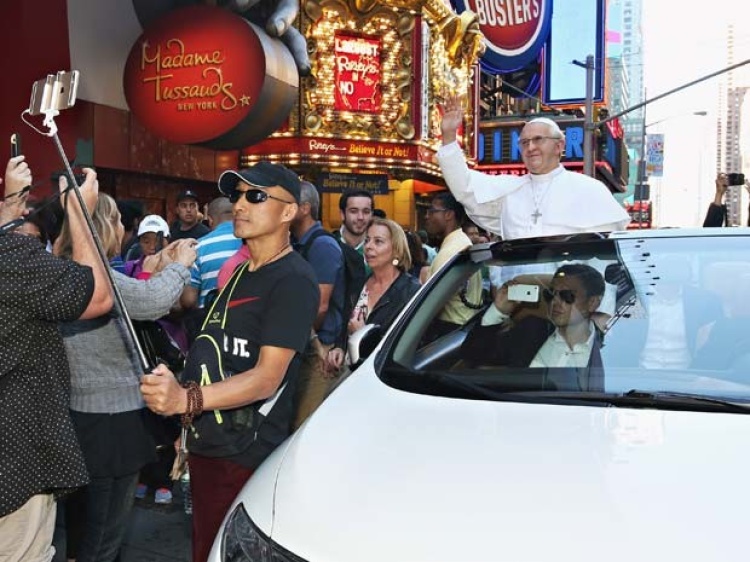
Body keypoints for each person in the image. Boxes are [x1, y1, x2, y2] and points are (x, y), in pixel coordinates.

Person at [140, 161, 319, 562]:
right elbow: (212, 353)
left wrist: (185, 401)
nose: (240, 204)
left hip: (246, 452)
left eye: (255, 196)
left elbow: (266, 378)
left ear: (289, 211)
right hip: (210, 444)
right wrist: (188, 429)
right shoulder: (237, 272)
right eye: (237, 195)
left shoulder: (293, 279)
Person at [55, 193, 197, 562]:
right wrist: (179, 266)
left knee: (85, 530)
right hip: (110, 423)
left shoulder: (61, 269)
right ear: (101, 226)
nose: (123, 228)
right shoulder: (94, 276)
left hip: (82, 417)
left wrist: (157, 265)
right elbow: (151, 302)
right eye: (117, 220)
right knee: (103, 538)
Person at [0, 158, 113, 562]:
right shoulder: (12, 258)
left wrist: (9, 208)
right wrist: (80, 214)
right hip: (12, 461)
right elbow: (98, 296)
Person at [437, 94, 630, 239]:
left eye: (538, 140)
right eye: (524, 142)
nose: (531, 147)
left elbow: (606, 252)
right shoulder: (511, 192)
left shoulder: (590, 190)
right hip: (515, 289)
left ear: (559, 146)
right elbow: (465, 188)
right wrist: (448, 136)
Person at [462, 264, 605, 372]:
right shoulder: (531, 330)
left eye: (567, 295)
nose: (555, 301)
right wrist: (498, 311)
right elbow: (472, 356)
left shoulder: (610, 349)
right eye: (550, 294)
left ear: (592, 303)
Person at [327, 218, 421, 371]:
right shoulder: (358, 283)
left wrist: (363, 334)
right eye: (367, 240)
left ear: (396, 250)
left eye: (378, 242)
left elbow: (405, 346)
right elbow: (345, 325)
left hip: (380, 377)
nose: (369, 246)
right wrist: (339, 348)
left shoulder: (410, 291)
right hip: (350, 371)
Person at [290, 180, 345, 429]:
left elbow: (320, 307)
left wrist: (308, 340)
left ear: (304, 208)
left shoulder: (322, 245)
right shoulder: (298, 243)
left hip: (319, 350)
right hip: (307, 344)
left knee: (303, 425)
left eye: (287, 204)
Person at [423, 192, 484, 340]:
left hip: (450, 331)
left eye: (432, 211)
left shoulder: (450, 251)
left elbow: (431, 306)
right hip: (465, 327)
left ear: (448, 215)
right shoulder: (461, 242)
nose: (427, 216)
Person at [182, 196, 241, 309]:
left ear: (210, 220)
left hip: (210, 321)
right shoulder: (252, 243)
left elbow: (188, 300)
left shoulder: (197, 247)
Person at [334, 189, 373, 259]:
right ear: (342, 214)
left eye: (366, 212)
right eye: (354, 211)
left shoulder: (378, 250)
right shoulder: (330, 244)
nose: (360, 217)